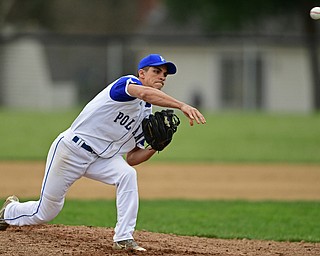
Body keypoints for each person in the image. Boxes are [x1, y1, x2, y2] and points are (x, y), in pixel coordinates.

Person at [0, 54, 206, 251]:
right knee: (46, 212)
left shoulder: (145, 114)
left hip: (101, 159)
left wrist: (156, 147)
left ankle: (124, 237)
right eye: (157, 71)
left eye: (165, 74)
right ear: (142, 74)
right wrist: (181, 105)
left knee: (127, 174)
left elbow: (132, 158)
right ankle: (9, 211)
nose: (162, 76)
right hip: (71, 151)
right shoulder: (126, 84)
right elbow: (144, 93)